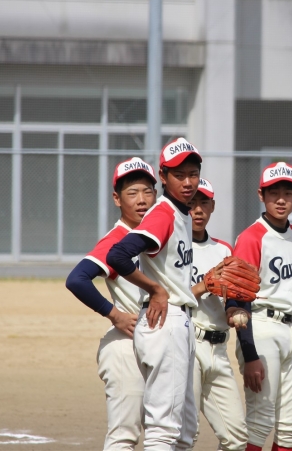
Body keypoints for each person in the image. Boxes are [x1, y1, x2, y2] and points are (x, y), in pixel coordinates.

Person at [106, 137, 202, 451]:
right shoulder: (163, 214)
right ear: (163, 176)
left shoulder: (180, 213)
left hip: (178, 322)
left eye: (193, 174)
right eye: (179, 175)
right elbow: (118, 255)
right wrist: (155, 288)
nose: (187, 182)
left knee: (184, 431)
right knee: (163, 430)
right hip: (166, 322)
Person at [65, 157, 157, 450]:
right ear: (117, 199)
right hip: (126, 346)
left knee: (174, 433)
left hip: (161, 342)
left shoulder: (160, 234)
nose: (141, 200)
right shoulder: (118, 238)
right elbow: (77, 279)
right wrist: (114, 314)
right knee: (124, 435)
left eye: (147, 191)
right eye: (132, 193)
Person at [228, 161, 292, 451]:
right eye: (273, 192)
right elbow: (237, 298)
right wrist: (249, 353)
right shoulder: (252, 237)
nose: (281, 199)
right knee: (260, 419)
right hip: (260, 328)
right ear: (261, 195)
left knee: (291, 425)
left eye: (288, 193)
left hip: (290, 331)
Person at [186, 178, 248, 451]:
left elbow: (230, 296)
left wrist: (234, 309)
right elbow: (166, 299)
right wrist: (202, 286)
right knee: (185, 435)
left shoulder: (223, 250)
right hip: (188, 345)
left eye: (204, 203)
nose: (198, 210)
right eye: (191, 203)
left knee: (236, 438)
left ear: (213, 206)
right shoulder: (172, 248)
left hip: (219, 350)